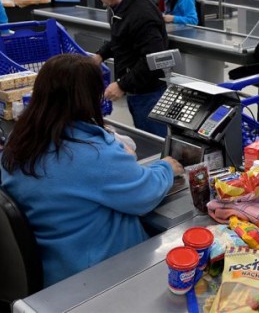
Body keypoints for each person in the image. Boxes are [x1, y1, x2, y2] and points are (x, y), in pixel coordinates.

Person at [0, 54, 184, 287]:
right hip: (96, 273)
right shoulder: (92, 153)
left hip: (54, 265)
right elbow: (145, 194)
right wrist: (166, 167)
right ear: (88, 97)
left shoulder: (20, 138)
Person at [88, 0, 169, 137]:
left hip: (149, 94)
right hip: (136, 90)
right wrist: (100, 55)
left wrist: (122, 85)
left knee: (154, 144)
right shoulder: (122, 6)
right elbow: (122, 38)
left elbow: (155, 60)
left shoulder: (142, 13)